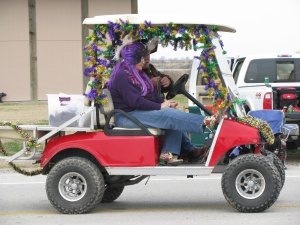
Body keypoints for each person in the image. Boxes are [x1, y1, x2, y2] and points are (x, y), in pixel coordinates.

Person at [107, 42, 218, 166]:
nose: (144, 61)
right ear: (133, 58)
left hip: (136, 113)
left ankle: (168, 153)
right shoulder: (122, 75)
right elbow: (135, 101)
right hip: (126, 116)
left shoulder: (139, 74)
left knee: (172, 114)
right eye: (142, 58)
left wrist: (165, 103)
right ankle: (207, 121)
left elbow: (150, 96)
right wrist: (160, 107)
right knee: (167, 115)